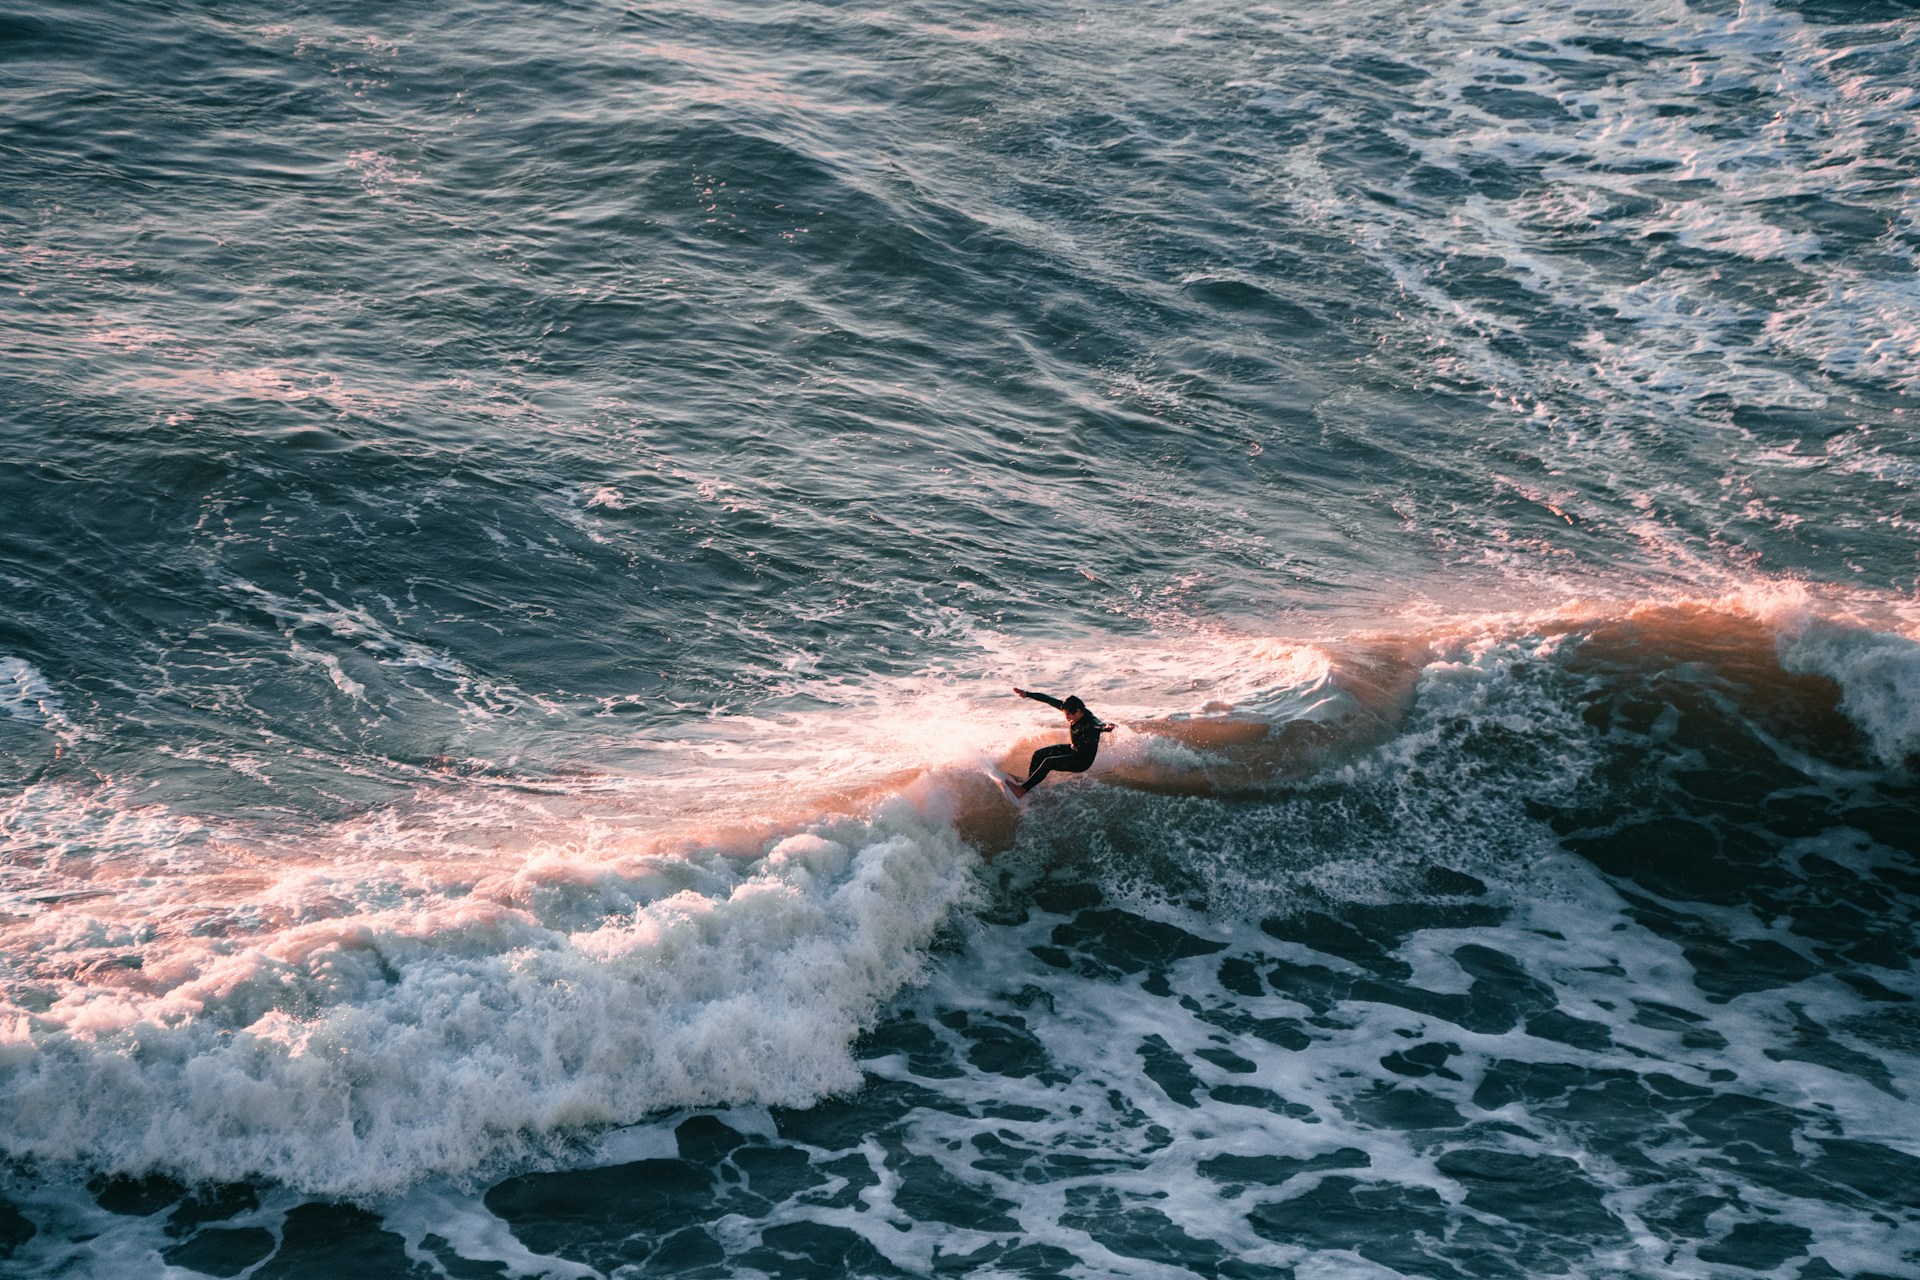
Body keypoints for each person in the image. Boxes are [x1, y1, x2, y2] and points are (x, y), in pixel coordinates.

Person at [1005, 687, 1115, 797]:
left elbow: (1101, 725)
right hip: (1073, 749)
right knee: (1039, 754)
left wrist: (1107, 726)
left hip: (1082, 760)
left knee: (1048, 762)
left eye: (1068, 714)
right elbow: (1048, 699)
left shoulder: (1091, 722)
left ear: (1078, 711)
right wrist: (1027, 694)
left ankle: (1022, 790)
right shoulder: (1070, 708)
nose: (1066, 717)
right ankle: (1029, 784)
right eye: (1065, 714)